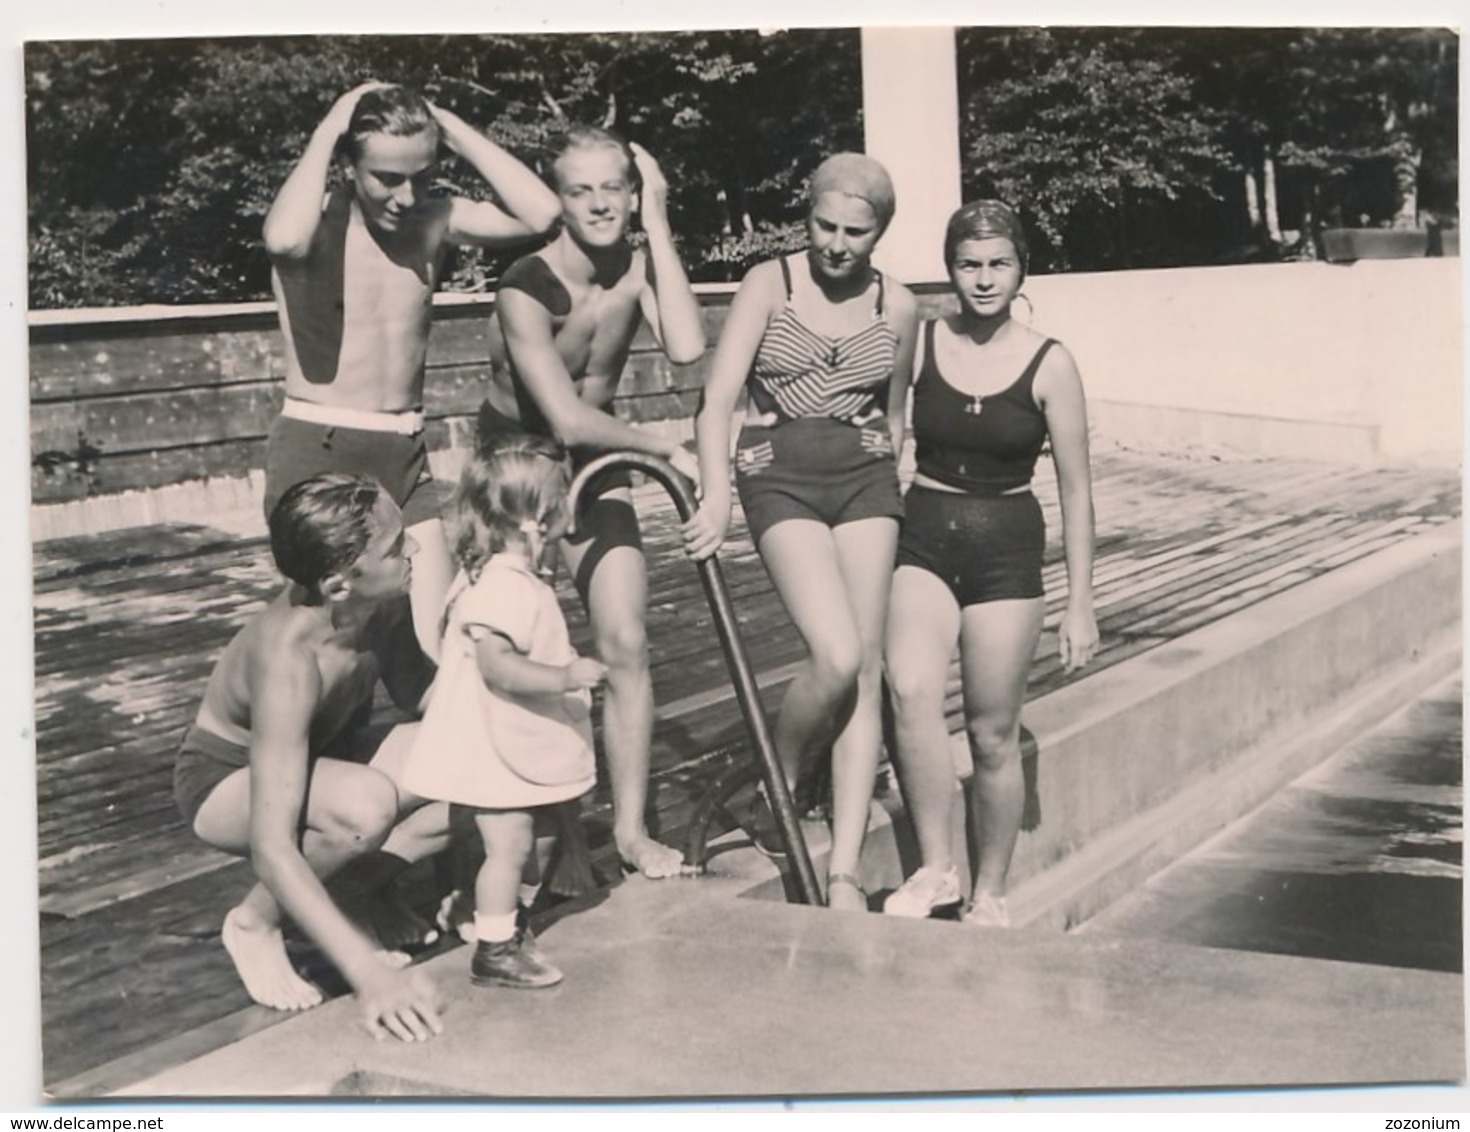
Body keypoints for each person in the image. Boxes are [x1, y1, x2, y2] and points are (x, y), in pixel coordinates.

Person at [684, 153, 919, 912]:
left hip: (864, 476)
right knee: (837, 655)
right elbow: (716, 401)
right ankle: (778, 781)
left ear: (880, 231)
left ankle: (845, 871)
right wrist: (717, 495)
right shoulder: (770, 283)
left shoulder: (898, 303)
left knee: (868, 669)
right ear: (806, 215)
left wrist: (887, 459)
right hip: (776, 467)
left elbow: (894, 409)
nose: (838, 243)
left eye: (857, 230)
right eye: (825, 225)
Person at [263, 81, 561, 660]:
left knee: (431, 653)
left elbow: (543, 213)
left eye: (421, 175)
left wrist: (447, 124)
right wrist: (331, 125)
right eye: (386, 178)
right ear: (348, 165)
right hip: (319, 448)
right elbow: (280, 238)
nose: (405, 195)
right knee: (329, 653)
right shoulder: (317, 223)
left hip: (405, 454)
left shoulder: (434, 221)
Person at [477, 124, 706, 879]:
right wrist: (666, 448)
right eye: (581, 190)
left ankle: (633, 834)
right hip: (518, 469)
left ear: (634, 192)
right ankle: (565, 836)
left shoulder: (638, 266)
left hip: (597, 464)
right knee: (534, 653)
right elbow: (566, 418)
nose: (601, 203)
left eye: (615, 186)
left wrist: (663, 224)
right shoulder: (526, 284)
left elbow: (685, 347)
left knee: (626, 642)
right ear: (560, 200)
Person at [172, 472, 453, 1041]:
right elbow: (272, 845)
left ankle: (350, 894)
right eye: (397, 546)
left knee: (466, 753)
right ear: (339, 585)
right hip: (225, 781)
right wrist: (366, 972)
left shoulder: (381, 603)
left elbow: (426, 694)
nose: (417, 549)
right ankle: (254, 922)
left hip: (323, 763)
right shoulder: (289, 657)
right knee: (364, 808)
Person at [880, 199, 1098, 927]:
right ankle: (937, 868)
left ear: (1021, 269)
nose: (983, 279)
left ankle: (990, 893)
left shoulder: (1050, 361)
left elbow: (1076, 489)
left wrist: (1079, 603)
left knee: (990, 732)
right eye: (968, 265)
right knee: (910, 689)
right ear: (951, 270)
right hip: (925, 535)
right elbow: (884, 430)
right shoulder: (923, 340)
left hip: (1006, 550)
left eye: (998, 264)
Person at [402, 437, 605, 989]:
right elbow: (499, 668)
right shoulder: (503, 587)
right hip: (491, 743)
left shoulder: (505, 574)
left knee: (535, 836)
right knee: (512, 843)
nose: (571, 502)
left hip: (503, 737)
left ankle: (497, 917)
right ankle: (495, 948)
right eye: (564, 494)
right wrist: (564, 677)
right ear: (537, 518)